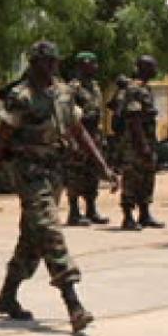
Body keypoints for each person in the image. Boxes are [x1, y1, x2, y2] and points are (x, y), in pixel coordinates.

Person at [0, 40, 116, 334]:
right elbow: (0, 142)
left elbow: (79, 131)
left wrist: (103, 167)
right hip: (29, 174)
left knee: (33, 239)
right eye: (44, 62)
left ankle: (7, 296)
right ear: (33, 63)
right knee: (50, 232)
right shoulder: (21, 96)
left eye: (54, 62)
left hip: (55, 172)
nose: (50, 67)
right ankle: (73, 304)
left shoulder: (64, 92)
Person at [114, 55, 164, 231]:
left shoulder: (145, 88)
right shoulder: (134, 89)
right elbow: (134, 118)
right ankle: (128, 217)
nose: (155, 69)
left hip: (147, 139)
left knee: (147, 177)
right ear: (143, 68)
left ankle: (144, 214)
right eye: (152, 66)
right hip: (135, 142)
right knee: (132, 178)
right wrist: (142, 144)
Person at [64, 51, 109, 226]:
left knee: (92, 173)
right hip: (78, 135)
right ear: (82, 66)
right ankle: (74, 211)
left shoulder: (95, 86)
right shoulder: (73, 88)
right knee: (76, 172)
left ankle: (91, 209)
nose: (95, 67)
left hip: (93, 135)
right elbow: (68, 114)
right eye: (91, 64)